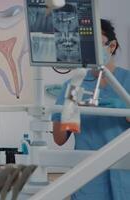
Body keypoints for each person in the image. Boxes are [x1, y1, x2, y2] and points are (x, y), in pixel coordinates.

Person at [52, 19, 130, 200]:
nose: (91, 51)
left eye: (96, 44)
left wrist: (126, 109)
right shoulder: (73, 84)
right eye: (85, 45)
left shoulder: (127, 80)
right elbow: (59, 139)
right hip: (88, 180)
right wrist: (69, 112)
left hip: (125, 176)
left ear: (112, 46)